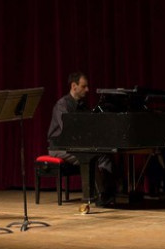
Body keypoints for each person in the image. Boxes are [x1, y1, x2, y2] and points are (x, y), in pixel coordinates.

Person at [47, 71, 117, 207]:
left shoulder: (82, 105)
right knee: (90, 156)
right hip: (59, 147)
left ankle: (108, 192)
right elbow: (69, 130)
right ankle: (98, 195)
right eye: (84, 86)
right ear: (74, 86)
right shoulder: (62, 105)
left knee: (105, 155)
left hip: (76, 145)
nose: (87, 89)